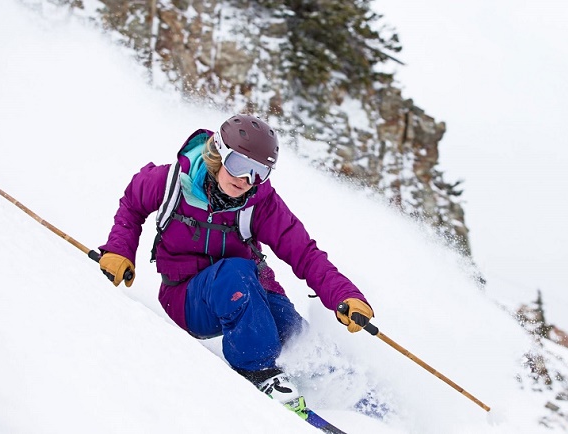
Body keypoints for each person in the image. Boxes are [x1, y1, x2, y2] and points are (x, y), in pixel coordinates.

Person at [98, 114, 373, 413]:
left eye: (259, 173)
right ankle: (259, 371)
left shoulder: (261, 203)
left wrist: (346, 295)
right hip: (186, 297)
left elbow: (304, 253)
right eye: (241, 166)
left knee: (290, 327)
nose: (246, 181)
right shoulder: (170, 183)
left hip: (246, 291)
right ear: (219, 154)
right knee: (235, 273)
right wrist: (119, 250)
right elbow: (132, 205)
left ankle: (351, 390)